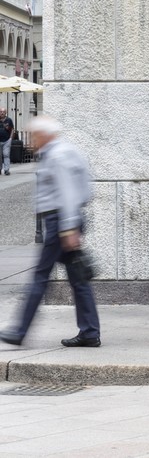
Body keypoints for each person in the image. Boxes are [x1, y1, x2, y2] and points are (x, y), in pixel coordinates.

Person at [0, 115, 99, 347]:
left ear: (44, 135)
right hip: (63, 222)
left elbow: (68, 193)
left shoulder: (57, 155)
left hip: (60, 223)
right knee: (79, 280)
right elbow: (84, 187)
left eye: (34, 135)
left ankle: (20, 330)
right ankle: (90, 332)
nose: (31, 140)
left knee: (40, 277)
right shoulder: (64, 151)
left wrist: (69, 227)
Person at [0, 106, 13, 175]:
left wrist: (10, 138)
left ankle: (6, 170)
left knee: (6, 155)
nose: (2, 113)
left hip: (6, 141)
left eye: (3, 112)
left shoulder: (9, 120)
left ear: (6, 113)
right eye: (1, 112)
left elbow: (12, 129)